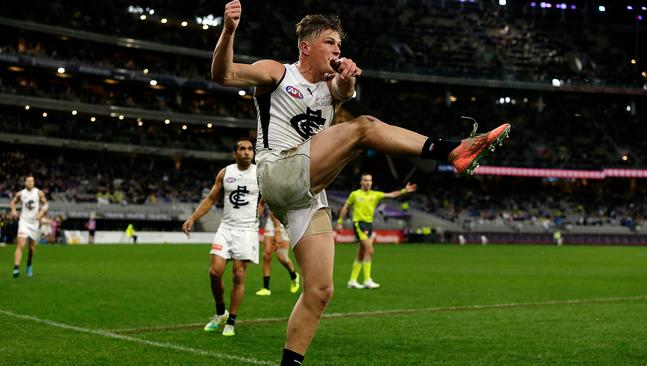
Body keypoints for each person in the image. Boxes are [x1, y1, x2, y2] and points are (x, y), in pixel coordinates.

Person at [211, 2, 510, 363]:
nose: (338, 50)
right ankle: (452, 151)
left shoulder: (332, 84)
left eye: (340, 44)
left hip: (307, 192)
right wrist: (228, 31)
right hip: (276, 171)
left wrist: (348, 76)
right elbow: (224, 75)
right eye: (329, 42)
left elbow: (342, 87)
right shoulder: (277, 72)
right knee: (364, 127)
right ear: (305, 46)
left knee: (320, 291)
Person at [182, 137, 261, 337]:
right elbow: (210, 199)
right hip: (226, 228)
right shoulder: (226, 173)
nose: (247, 152)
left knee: (239, 275)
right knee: (214, 272)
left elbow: (271, 197)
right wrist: (192, 218)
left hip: (247, 230)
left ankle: (231, 322)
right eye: (242, 149)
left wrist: (274, 221)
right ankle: (220, 312)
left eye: (250, 149)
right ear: (235, 154)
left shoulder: (260, 173)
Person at [337, 173, 416, 289]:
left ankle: (352, 280)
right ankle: (367, 280)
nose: (368, 182)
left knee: (362, 252)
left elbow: (392, 195)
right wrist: (339, 222)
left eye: (370, 180)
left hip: (369, 225)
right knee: (370, 250)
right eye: (365, 180)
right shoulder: (355, 194)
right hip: (359, 224)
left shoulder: (376, 194)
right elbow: (346, 207)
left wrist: (404, 190)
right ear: (361, 182)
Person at [10, 175, 48, 278]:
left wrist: (41, 212)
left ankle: (29, 265)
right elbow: (13, 202)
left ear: (34, 182)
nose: (30, 183)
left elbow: (46, 204)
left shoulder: (39, 192)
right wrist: (13, 211)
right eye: (28, 181)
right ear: (25, 182)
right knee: (21, 244)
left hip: (34, 223)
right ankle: (16, 268)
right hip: (24, 221)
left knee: (31, 248)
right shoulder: (21, 193)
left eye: (32, 181)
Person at [256, 210, 300, 296]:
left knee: (282, 257)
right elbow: (263, 203)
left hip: (286, 224)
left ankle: (294, 275)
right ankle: (266, 288)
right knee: (266, 255)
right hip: (271, 222)